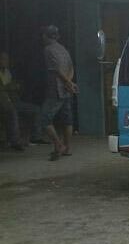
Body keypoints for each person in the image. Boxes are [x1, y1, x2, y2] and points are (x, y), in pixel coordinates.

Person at [40, 26, 77, 160]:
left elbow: (56, 70)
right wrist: (70, 82)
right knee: (67, 120)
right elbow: (71, 67)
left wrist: (67, 82)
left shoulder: (48, 50)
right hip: (67, 90)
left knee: (44, 119)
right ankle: (67, 148)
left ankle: (58, 144)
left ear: (45, 36)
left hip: (56, 89)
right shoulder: (63, 49)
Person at [0, 52, 44, 148]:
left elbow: (11, 86)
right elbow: (4, 88)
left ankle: (36, 137)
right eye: (3, 59)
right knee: (13, 112)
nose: (6, 61)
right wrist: (10, 87)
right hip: (3, 103)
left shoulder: (7, 71)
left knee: (36, 109)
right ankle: (15, 141)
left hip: (14, 101)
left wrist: (13, 86)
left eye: (7, 59)